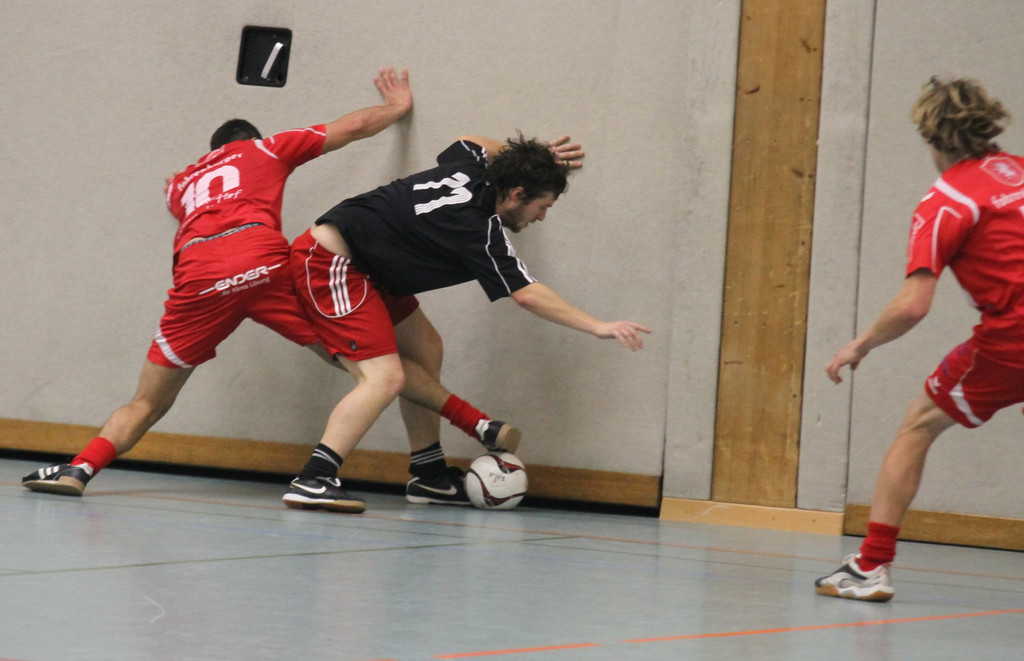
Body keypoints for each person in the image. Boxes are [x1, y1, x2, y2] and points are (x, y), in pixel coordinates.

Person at [21, 68, 508, 498]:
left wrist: (184, 183)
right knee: (372, 367)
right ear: (251, 138)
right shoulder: (265, 147)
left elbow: (180, 198)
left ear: (212, 151)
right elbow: (354, 126)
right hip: (263, 269)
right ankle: (477, 425)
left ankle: (79, 469)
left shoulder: (182, 184)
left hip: (197, 283)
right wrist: (396, 108)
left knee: (146, 402)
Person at [282, 133, 651, 514]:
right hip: (332, 262)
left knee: (426, 348)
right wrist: (598, 326)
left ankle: (428, 474)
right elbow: (527, 294)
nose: (542, 217)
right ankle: (314, 478)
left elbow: (467, 140)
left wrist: (533, 160)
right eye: (542, 207)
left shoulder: (472, 169)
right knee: (384, 378)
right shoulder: (480, 230)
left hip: (371, 267)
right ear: (517, 194)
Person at [815, 77, 1024, 602]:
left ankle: (870, 566)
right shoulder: (1020, 170)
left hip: (1013, 337)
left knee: (918, 425)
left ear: (932, 137)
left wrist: (860, 344)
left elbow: (912, 305)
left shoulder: (947, 200)